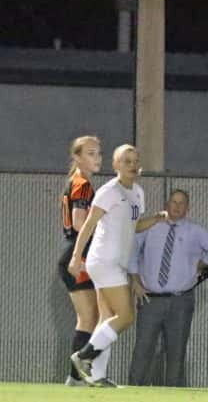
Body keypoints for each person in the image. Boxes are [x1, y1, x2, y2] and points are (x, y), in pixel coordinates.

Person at [68, 144, 168, 387]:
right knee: (125, 316)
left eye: (135, 160)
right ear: (115, 166)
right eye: (126, 161)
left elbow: (133, 227)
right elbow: (89, 225)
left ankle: (96, 376)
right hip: (104, 260)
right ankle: (83, 357)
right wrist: (75, 256)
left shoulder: (138, 193)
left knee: (107, 319)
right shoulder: (108, 191)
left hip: (115, 262)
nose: (132, 165)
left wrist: (155, 219)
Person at [127, 189, 208, 387]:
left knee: (176, 351)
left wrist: (202, 263)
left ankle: (173, 395)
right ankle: (133, 392)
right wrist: (135, 281)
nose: (177, 206)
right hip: (150, 299)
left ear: (187, 208)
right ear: (167, 204)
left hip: (181, 300)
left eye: (182, 203)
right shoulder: (150, 227)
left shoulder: (194, 231)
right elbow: (131, 251)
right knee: (143, 350)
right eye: (174, 202)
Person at [58, 135, 102, 386]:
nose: (96, 158)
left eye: (98, 153)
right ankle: (76, 378)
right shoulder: (82, 183)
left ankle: (78, 377)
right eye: (90, 153)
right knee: (88, 318)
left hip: (76, 251)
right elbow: (77, 222)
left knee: (91, 318)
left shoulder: (75, 182)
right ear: (77, 157)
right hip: (77, 253)